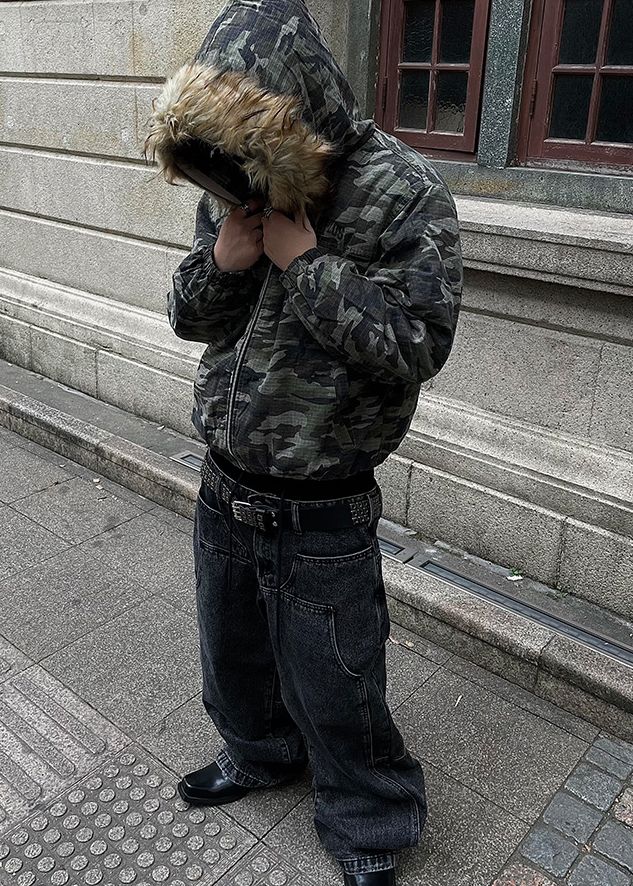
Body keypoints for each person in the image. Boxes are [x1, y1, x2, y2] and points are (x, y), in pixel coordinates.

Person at [144, 1, 463, 883]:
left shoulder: (404, 189)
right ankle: (257, 752)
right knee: (232, 656)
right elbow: (187, 318)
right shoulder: (231, 175)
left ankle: (369, 823)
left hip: (323, 505)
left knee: (338, 679)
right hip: (224, 481)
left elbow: (416, 345)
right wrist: (224, 262)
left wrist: (306, 265)